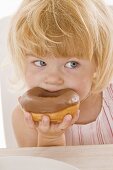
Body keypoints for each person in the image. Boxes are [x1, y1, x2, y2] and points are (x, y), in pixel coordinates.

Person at [8, 0, 113, 147]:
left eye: (72, 64)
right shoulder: (25, 119)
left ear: (98, 64)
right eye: (40, 63)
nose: (52, 79)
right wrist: (50, 138)